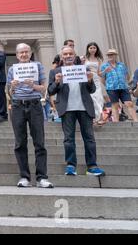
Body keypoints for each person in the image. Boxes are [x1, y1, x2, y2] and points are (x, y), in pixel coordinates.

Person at [48, 46, 106, 177]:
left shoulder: (84, 69)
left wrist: (90, 80)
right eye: (65, 54)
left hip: (84, 108)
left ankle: (92, 166)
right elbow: (50, 91)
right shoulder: (55, 71)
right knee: (69, 139)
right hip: (67, 109)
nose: (68, 56)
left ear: (74, 55)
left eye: (70, 53)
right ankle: (70, 165)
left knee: (89, 138)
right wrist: (57, 82)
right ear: (61, 56)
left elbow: (92, 90)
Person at [7, 44, 53, 188]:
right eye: (21, 53)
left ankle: (41, 177)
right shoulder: (12, 69)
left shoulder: (37, 66)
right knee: (20, 142)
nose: (24, 55)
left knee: (39, 141)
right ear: (17, 55)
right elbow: (9, 93)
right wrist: (13, 86)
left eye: (26, 52)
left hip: (35, 104)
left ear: (31, 53)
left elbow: (44, 88)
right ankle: (24, 176)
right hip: (18, 105)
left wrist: (34, 86)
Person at [101, 49, 138, 122]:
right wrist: (108, 86)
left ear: (115, 55)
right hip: (112, 88)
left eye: (112, 54)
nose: (110, 56)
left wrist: (127, 84)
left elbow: (127, 76)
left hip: (123, 87)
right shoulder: (104, 66)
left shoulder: (122, 65)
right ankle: (116, 122)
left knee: (129, 103)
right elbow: (102, 79)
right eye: (109, 55)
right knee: (115, 105)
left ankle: (136, 121)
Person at [84, 42, 106, 126]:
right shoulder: (85, 58)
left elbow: (99, 73)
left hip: (96, 79)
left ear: (97, 49)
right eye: (91, 48)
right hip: (88, 79)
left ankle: (99, 118)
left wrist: (105, 71)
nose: (93, 49)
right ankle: (94, 118)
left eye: (94, 48)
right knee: (92, 98)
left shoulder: (98, 59)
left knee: (99, 98)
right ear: (88, 49)